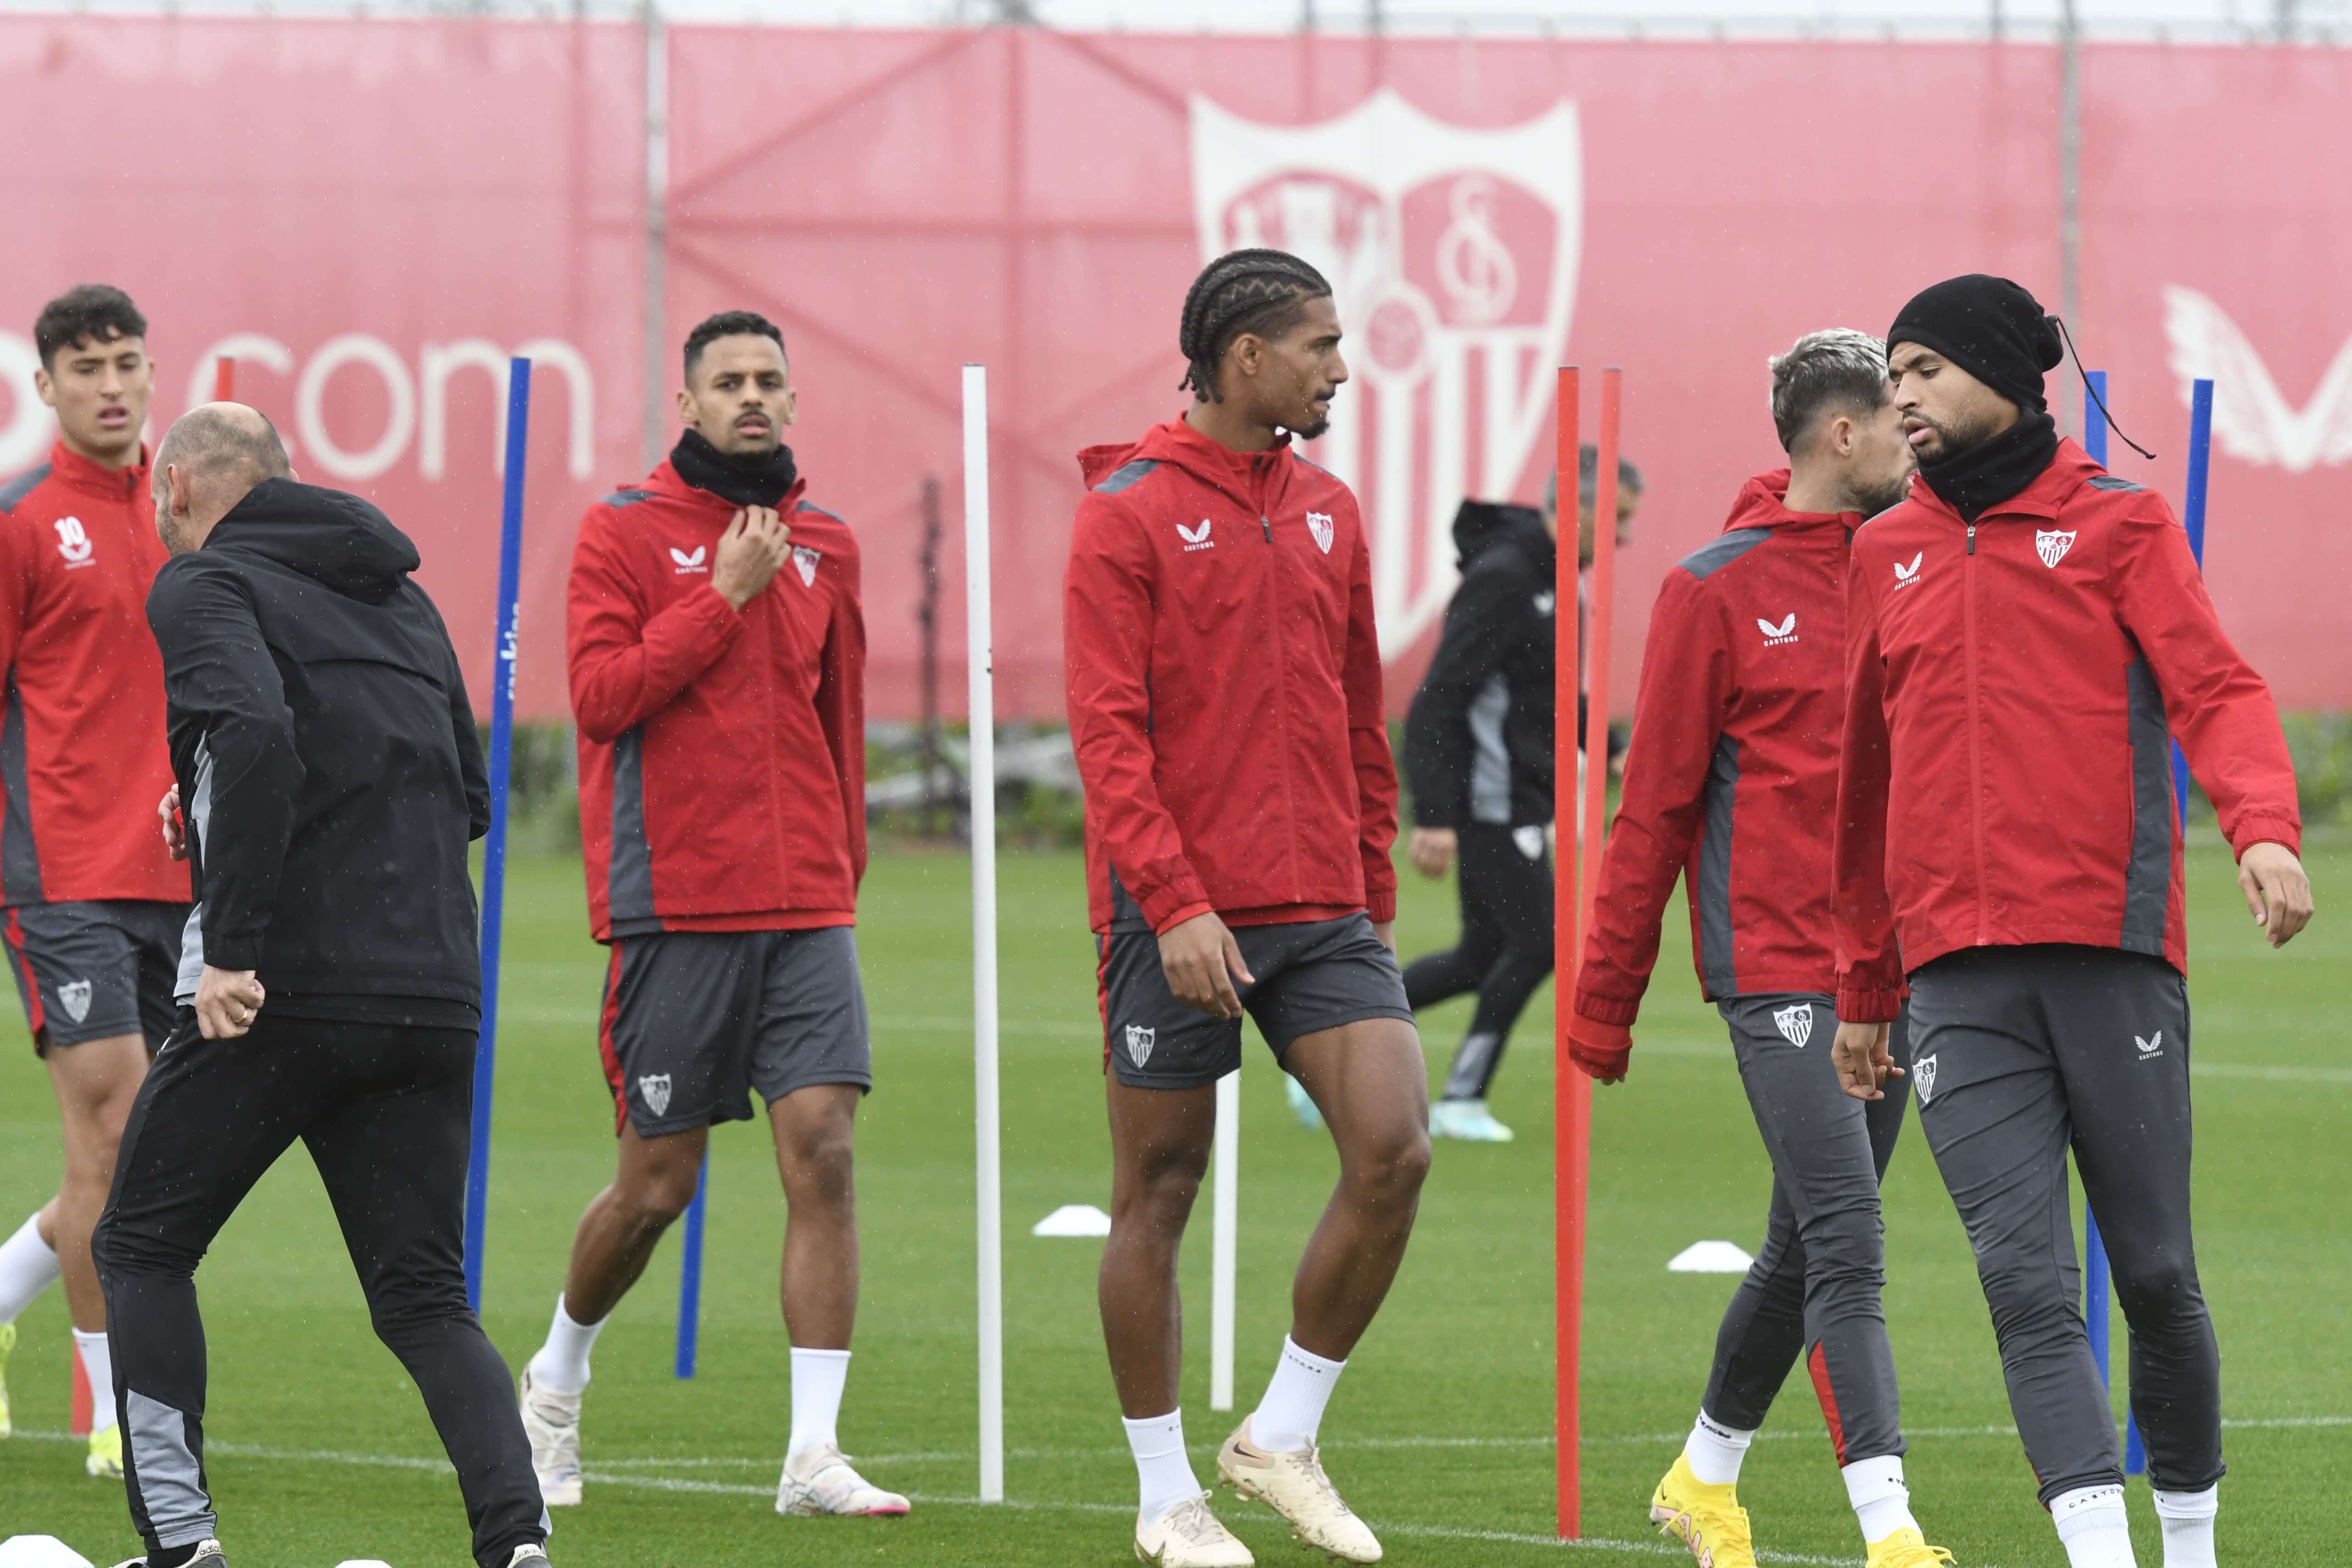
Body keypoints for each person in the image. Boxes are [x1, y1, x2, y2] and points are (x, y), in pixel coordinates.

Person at [1833, 275, 2313, 1568]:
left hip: (2113, 956)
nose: (1904, 396)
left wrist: (2262, 822)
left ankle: (2191, 1544)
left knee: (2155, 1276)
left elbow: (2214, 685)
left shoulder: (2120, 524)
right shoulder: (1883, 550)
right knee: (2029, 1287)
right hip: (1954, 981)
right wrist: (1864, 979)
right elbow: (1865, 777)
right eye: (1893, 375)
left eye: (1927, 367)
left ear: (2004, 370)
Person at [93, 404, 550, 1568]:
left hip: (283, 991)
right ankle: (519, 1544)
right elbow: (467, 793)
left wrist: (234, 943)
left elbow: (253, 730)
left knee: (140, 1247)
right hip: (435, 990)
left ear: (185, 486)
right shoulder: (401, 594)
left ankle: (181, 1546)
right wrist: (204, 793)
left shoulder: (201, 588)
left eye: (160, 496)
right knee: (426, 1301)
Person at [1064, 247, 1430, 1568]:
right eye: (1322, 343)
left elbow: (1355, 714)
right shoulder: (1127, 510)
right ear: (1246, 358)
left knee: (1395, 1147)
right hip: (1177, 913)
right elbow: (1107, 735)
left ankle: (1278, 1434)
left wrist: (1372, 890)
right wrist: (1170, 900)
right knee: (1156, 1193)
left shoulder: (1330, 509)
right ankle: (1167, 1495)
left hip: (1325, 907)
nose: (1341, 365)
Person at [1566, 331, 1946, 1568]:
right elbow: (1656, 809)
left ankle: (1703, 1473)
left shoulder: (1920, 567)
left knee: (1801, 1240)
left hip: (1884, 975)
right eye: (1899, 415)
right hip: (1774, 968)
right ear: (1844, 435)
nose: (1917, 432)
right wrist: (1603, 1004)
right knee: (1848, 1235)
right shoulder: (1712, 588)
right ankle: (1891, 1529)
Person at [517, 310, 902, 1519]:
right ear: (684, 404)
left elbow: (838, 716)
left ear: (793, 399)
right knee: (657, 1185)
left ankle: (813, 1452)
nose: (752, 396)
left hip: (805, 905)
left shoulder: (828, 541)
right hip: (674, 902)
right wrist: (722, 596)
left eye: (770, 380)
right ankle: (555, 1380)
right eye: (727, 381)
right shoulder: (622, 531)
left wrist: (843, 864)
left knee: (825, 1152)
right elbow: (599, 697)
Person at [0, 285, 188, 1478]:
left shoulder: (190, 511)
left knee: (157, 1146)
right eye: (87, 367)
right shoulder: (22, 525)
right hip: (59, 872)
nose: (111, 384)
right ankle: (118, 1412)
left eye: (127, 361)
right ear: (47, 388)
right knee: (115, 1131)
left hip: (179, 876)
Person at [1390, 446, 1643, 1143]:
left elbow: (1558, 692)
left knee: (1481, 955)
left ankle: (1337, 1041)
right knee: (1541, 943)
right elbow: (1439, 699)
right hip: (1487, 801)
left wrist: (1615, 743)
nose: (1623, 537)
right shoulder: (1503, 579)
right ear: (1580, 509)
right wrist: (1435, 814)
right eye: (1617, 519)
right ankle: (1461, 1096)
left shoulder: (1565, 584)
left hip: (1524, 799)